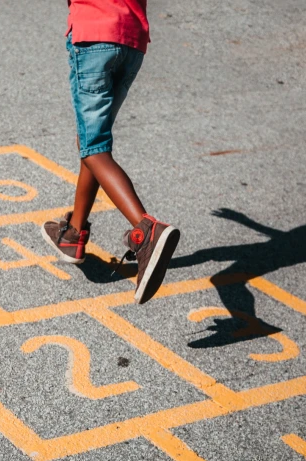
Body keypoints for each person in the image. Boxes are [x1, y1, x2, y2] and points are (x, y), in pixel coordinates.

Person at [41, 0, 180, 305]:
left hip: (94, 36)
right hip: (131, 40)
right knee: (93, 142)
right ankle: (73, 234)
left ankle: (147, 231)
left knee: (94, 147)